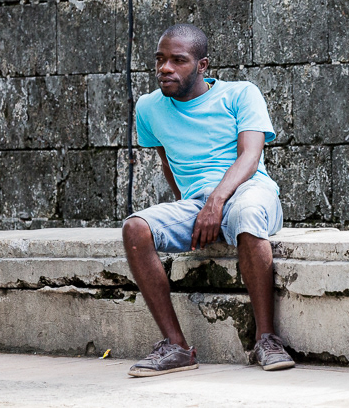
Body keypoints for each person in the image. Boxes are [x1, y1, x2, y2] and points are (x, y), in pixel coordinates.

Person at [121, 23, 294, 377]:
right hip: (197, 203)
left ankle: (266, 338)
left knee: (246, 214)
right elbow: (166, 159)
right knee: (135, 228)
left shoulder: (241, 94)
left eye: (178, 60)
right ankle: (176, 347)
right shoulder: (149, 107)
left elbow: (250, 156)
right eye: (160, 59)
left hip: (250, 190)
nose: (165, 68)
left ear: (202, 66)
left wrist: (215, 203)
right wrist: (194, 208)